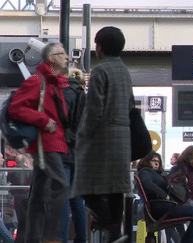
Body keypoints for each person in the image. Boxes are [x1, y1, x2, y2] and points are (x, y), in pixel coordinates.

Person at [72, 26, 132, 243]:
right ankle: (115, 232)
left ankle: (108, 225)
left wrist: (82, 135)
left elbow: (94, 108)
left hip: (103, 139)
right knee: (117, 188)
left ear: (99, 48)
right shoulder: (124, 70)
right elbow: (130, 104)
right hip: (123, 138)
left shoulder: (100, 71)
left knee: (86, 188)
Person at [8, 42, 70, 243]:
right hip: (46, 144)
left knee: (39, 195)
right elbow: (16, 108)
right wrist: (44, 121)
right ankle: (50, 236)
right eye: (62, 54)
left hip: (53, 144)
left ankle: (33, 238)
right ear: (52, 58)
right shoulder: (38, 81)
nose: (67, 57)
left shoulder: (54, 83)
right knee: (60, 185)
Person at [137, 151, 193, 243]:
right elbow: (146, 183)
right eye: (153, 160)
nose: (156, 163)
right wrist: (164, 195)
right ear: (146, 161)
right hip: (163, 208)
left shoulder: (155, 174)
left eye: (158, 161)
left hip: (165, 206)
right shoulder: (146, 171)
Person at [59, 68, 87, 243]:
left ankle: (61, 238)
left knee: (62, 199)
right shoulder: (84, 98)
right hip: (79, 153)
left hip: (62, 151)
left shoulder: (60, 94)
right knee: (77, 200)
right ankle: (81, 239)